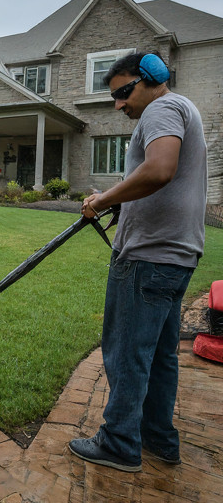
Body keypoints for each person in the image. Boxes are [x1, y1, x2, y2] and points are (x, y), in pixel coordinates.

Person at [68, 52, 208, 472]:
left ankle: (118, 443)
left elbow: (160, 169)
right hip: (176, 257)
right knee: (159, 355)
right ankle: (158, 438)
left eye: (124, 93)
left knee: (127, 353)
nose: (118, 104)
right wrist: (119, 204)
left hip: (148, 257)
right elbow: (160, 180)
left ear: (152, 79)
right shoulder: (184, 108)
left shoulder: (163, 108)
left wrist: (104, 199)